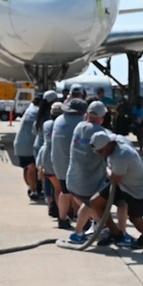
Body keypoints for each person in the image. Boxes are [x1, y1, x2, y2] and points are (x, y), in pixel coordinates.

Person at [90, 130, 143, 249]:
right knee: (96, 202)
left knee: (135, 218)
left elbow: (115, 178)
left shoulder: (121, 156)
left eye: (100, 151)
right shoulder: (116, 142)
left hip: (138, 191)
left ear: (108, 145)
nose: (99, 154)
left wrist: (107, 170)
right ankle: (116, 234)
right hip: (123, 185)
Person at [66, 101, 110, 235]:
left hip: (72, 182)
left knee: (87, 205)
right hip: (89, 186)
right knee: (104, 202)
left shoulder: (79, 127)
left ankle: (91, 226)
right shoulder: (101, 133)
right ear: (102, 118)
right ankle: (104, 227)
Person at [51, 98, 87, 230]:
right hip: (72, 164)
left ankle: (62, 219)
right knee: (79, 194)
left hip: (58, 161)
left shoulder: (59, 120)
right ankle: (84, 219)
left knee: (64, 191)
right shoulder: (80, 122)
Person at [12, 93, 43, 200]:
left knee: (27, 168)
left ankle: (31, 188)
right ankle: (33, 190)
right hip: (27, 145)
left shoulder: (29, 110)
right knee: (31, 167)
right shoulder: (36, 112)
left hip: (21, 144)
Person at [38, 101, 65, 219]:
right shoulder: (63, 124)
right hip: (58, 157)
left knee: (53, 186)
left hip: (46, 156)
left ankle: (53, 206)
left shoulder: (46, 124)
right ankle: (62, 212)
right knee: (61, 189)